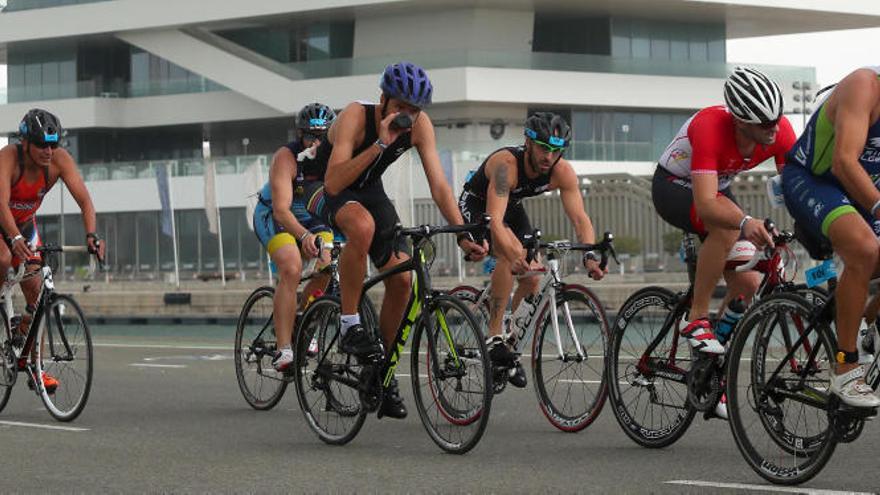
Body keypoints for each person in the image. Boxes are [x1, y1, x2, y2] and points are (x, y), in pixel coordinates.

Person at [315, 61, 487, 419]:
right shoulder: (355, 117)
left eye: (414, 110)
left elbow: (439, 185)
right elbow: (333, 183)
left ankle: (380, 372)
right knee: (360, 227)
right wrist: (380, 142)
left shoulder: (420, 126)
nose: (406, 116)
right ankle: (348, 323)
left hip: (368, 190)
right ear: (383, 99)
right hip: (321, 184)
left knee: (403, 280)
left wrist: (463, 235)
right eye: (400, 108)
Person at [653, 67, 796, 418]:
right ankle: (696, 318)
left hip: (717, 186)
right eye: (764, 124)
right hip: (674, 186)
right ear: (741, 123)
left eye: (776, 120)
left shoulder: (780, 132)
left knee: (749, 281)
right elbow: (706, 204)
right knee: (729, 228)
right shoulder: (710, 127)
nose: (774, 129)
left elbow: (795, 188)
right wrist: (746, 221)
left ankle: (709, 366)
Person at [458, 112, 605, 388]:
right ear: (528, 142)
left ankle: (509, 341)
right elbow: (496, 220)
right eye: (543, 148)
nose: (548, 156)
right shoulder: (506, 166)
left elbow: (580, 218)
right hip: (480, 203)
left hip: (511, 205)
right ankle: (494, 336)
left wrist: (589, 255)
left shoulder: (562, 172)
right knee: (509, 253)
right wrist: (513, 253)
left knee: (533, 276)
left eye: (555, 150)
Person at [782, 66, 880, 408]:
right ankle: (845, 366)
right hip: (816, 180)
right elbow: (843, 162)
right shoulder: (865, 85)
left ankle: (863, 326)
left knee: (863, 257)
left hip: (858, 192)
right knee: (865, 250)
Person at [0, 108, 106, 392]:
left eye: (54, 144)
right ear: (25, 142)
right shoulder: (9, 158)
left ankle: (34, 365)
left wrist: (92, 234)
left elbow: (85, 200)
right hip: (2, 221)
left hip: (24, 224)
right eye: (42, 145)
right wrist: (12, 238)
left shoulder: (58, 161)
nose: (49, 151)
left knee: (37, 291)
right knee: (3, 257)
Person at [252, 103, 337, 372]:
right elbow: (281, 210)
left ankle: (305, 318)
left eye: (323, 137)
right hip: (276, 216)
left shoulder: (336, 158)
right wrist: (303, 237)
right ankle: (283, 349)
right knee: (291, 267)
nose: (316, 142)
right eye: (311, 136)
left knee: (329, 263)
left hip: (312, 218)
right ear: (300, 135)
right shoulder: (286, 158)